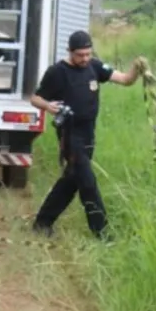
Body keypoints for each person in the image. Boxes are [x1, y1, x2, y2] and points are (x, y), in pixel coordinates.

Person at [29, 30, 143, 240]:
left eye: (88, 54)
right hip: (69, 133)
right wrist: (48, 106)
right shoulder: (57, 72)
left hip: (89, 132)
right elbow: (35, 99)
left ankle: (42, 223)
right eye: (80, 55)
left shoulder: (95, 67)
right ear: (70, 52)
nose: (85, 59)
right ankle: (102, 233)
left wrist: (137, 69)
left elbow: (126, 80)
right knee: (87, 182)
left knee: (72, 180)